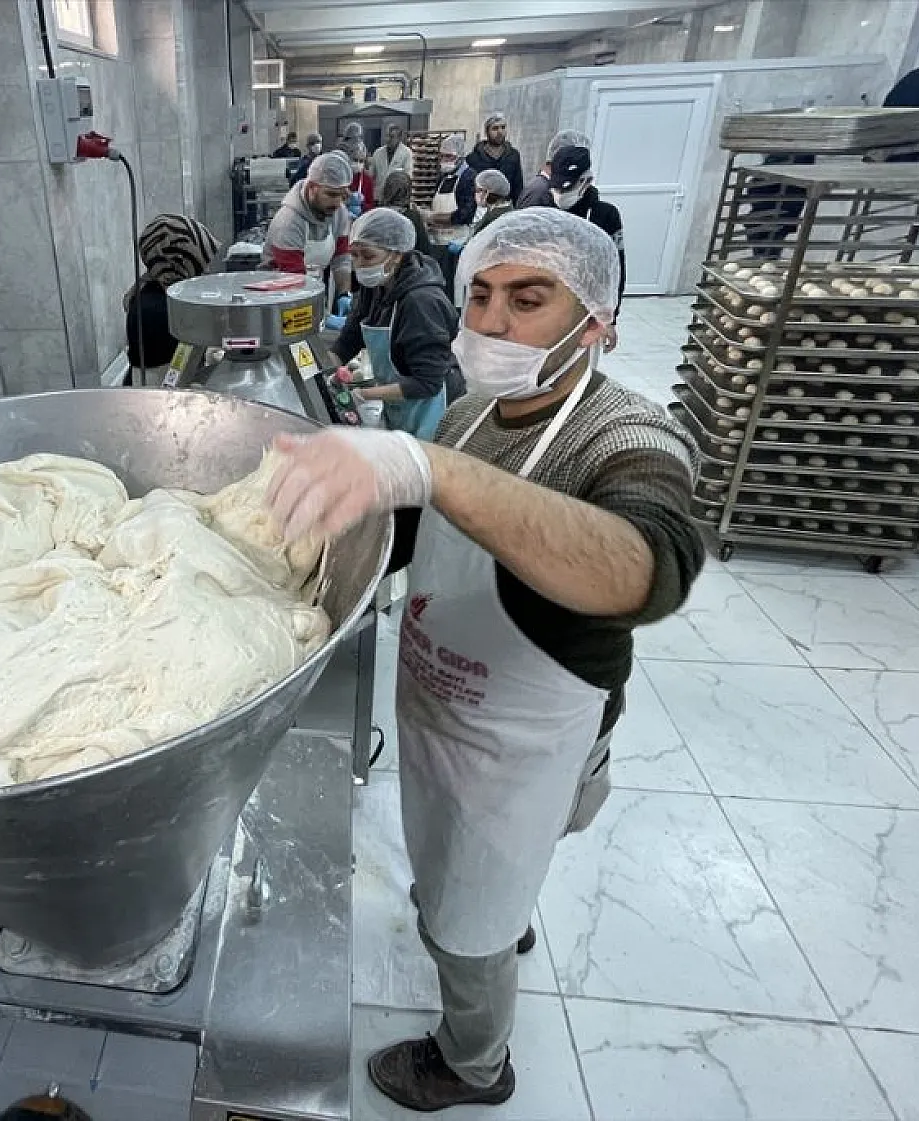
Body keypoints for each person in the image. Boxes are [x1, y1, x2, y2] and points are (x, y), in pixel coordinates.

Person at [266, 208, 703, 1111]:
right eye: (482, 295)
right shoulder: (471, 415)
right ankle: (498, 920)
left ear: (600, 322)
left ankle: (473, 1061)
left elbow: (645, 568)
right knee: (462, 869)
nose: (491, 324)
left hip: (526, 740)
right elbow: (417, 537)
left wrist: (427, 468)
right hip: (443, 703)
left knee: (469, 916)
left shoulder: (624, 434)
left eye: (529, 299)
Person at [325, 208, 463, 440]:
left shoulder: (421, 302)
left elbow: (427, 383)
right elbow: (349, 341)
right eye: (354, 255)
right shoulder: (376, 286)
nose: (359, 265)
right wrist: (323, 375)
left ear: (397, 255)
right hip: (401, 403)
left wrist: (363, 395)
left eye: (368, 256)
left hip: (433, 407)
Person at [521, 141, 625, 348]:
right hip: (545, 309)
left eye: (567, 187)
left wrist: (610, 319)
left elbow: (616, 272)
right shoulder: (542, 212)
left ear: (586, 181)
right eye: (556, 187)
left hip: (588, 313)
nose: (559, 193)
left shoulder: (605, 216)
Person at [125, 214, 220, 378]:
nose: (207, 271)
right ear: (181, 261)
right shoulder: (159, 310)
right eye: (201, 264)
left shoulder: (151, 289)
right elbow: (172, 378)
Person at [263, 150, 354, 298]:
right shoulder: (288, 222)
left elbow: (341, 259)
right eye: (331, 194)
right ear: (312, 187)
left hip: (313, 287)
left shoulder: (339, 212)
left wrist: (344, 294)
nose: (338, 202)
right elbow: (293, 278)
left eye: (342, 195)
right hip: (280, 294)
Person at [375, 169, 438, 263]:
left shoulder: (377, 215)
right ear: (408, 190)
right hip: (407, 267)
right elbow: (424, 249)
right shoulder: (412, 216)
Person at [464, 112, 525, 206]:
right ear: (487, 131)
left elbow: (518, 187)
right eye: (495, 128)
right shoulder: (473, 159)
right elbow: (469, 191)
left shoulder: (513, 156)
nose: (500, 132)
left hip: (505, 208)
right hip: (481, 209)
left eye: (503, 127)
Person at [369, 125, 415, 197]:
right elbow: (371, 175)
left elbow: (407, 177)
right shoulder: (378, 152)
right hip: (378, 195)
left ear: (399, 138)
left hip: (396, 197)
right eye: (387, 136)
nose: (388, 139)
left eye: (392, 137)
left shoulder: (406, 153)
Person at [343, 138, 376, 215]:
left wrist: (361, 205)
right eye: (355, 160)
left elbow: (371, 205)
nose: (358, 164)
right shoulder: (342, 177)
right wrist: (346, 203)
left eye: (361, 161)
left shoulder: (367, 180)